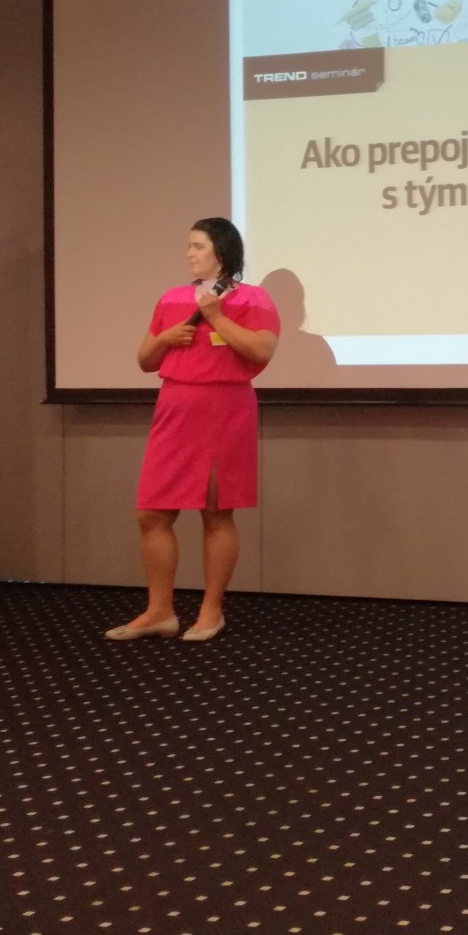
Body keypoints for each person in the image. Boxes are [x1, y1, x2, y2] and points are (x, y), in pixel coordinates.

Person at [109, 218, 278, 643]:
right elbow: (145, 361)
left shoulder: (253, 298)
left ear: (222, 251)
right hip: (174, 408)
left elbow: (261, 350)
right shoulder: (171, 298)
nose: (189, 253)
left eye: (198, 246)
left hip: (224, 409)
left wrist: (217, 317)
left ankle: (211, 611)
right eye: (189, 245)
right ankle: (159, 612)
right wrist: (165, 337)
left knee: (216, 512)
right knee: (151, 513)